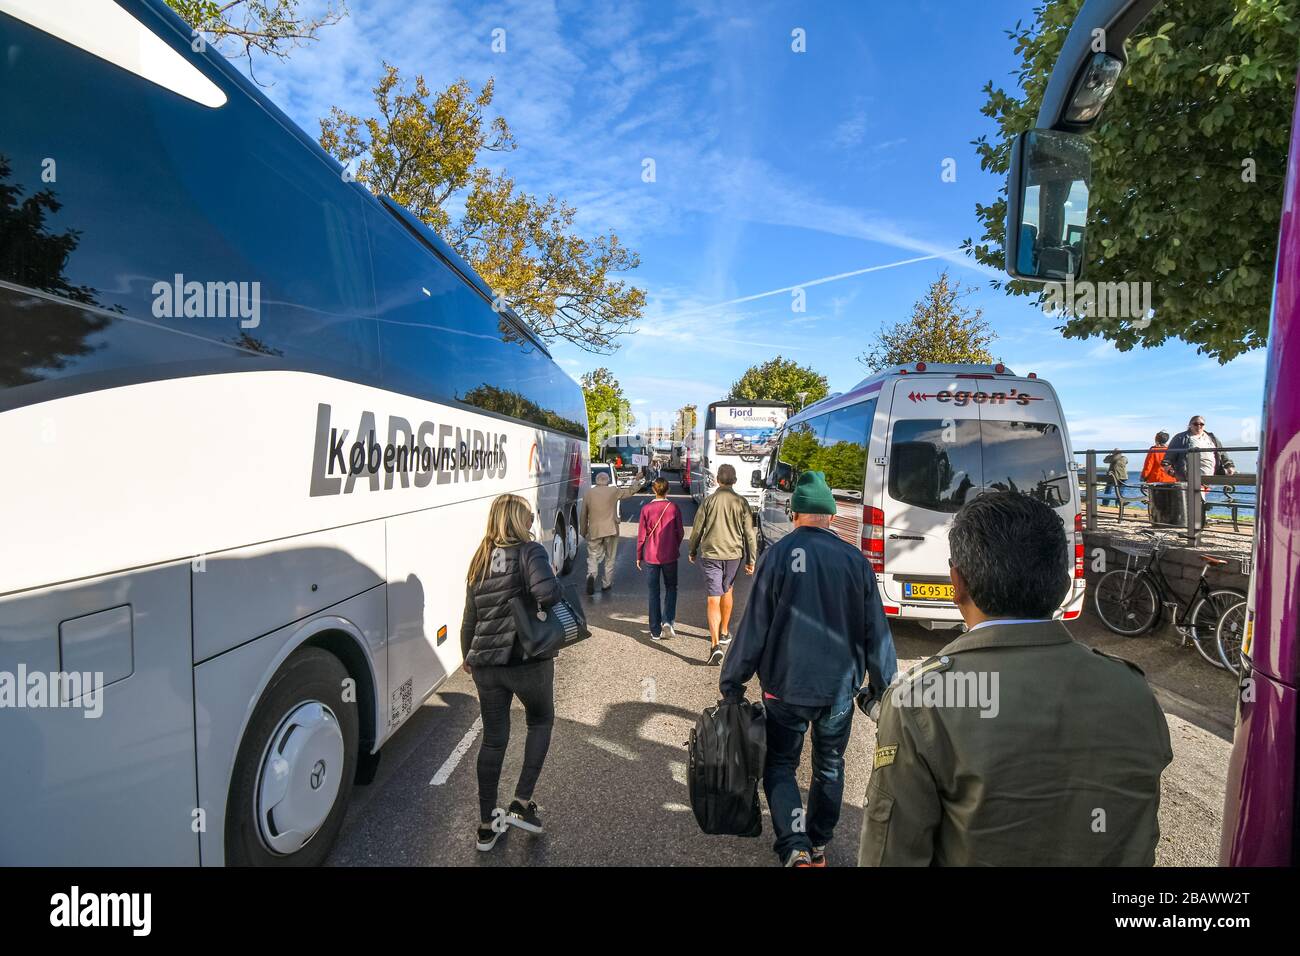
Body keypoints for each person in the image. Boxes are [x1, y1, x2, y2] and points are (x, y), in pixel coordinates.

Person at [858, 492, 1173, 866]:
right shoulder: (1131, 689)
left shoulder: (921, 699)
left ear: (956, 583)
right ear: (1063, 582)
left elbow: (892, 855)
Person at [721, 471, 897, 867]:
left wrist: (733, 681)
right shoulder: (855, 561)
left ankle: (794, 844)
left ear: (794, 513)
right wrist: (883, 687)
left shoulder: (778, 556)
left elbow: (755, 627)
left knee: (781, 765)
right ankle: (818, 843)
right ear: (831, 517)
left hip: (785, 687)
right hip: (838, 690)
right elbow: (877, 631)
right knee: (830, 766)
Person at [460, 494, 563, 852]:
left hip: (486, 664)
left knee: (492, 740)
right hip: (526, 661)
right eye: (529, 515)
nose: (532, 520)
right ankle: (521, 802)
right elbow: (547, 593)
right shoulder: (529, 551)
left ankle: (487, 826)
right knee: (540, 721)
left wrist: (468, 658)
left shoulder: (481, 557)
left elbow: (469, 618)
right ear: (519, 520)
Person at [687, 463, 757, 665]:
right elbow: (749, 534)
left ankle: (715, 645)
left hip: (711, 553)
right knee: (728, 591)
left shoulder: (708, 501)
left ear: (717, 480)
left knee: (713, 598)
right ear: (734, 480)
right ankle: (725, 631)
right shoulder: (741, 502)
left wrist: (692, 550)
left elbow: (697, 529)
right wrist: (751, 560)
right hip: (733, 555)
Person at [580, 467, 646, 595]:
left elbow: (583, 514)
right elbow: (630, 491)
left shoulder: (588, 493)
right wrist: (637, 480)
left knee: (593, 556)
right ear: (608, 480)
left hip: (594, 531)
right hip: (611, 529)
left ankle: (591, 576)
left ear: (597, 480)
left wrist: (583, 531)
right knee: (610, 558)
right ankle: (606, 583)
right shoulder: (613, 491)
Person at [636, 477, 684, 641]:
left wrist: (639, 555)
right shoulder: (673, 508)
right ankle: (668, 621)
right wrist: (674, 544)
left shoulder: (646, 509)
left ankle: (655, 630)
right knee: (671, 587)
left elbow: (642, 535)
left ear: (654, 490)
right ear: (667, 490)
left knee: (653, 592)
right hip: (670, 554)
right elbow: (680, 532)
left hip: (650, 555)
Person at [1163, 416, 1237, 521]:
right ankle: (1198, 519)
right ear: (1190, 425)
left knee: (1200, 493)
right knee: (1196, 492)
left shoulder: (1212, 437)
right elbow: (1169, 456)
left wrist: (1229, 466)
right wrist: (1169, 469)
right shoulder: (1181, 438)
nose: (1199, 426)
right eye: (1195, 424)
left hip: (1209, 473)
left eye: (1201, 424)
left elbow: (1222, 452)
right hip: (1189, 472)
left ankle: (1198, 518)